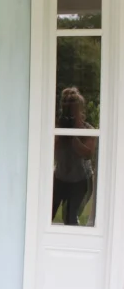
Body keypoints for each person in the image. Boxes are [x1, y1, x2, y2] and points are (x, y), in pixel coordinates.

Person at [52, 87, 96, 225]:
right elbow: (49, 150)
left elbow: (88, 154)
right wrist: (60, 130)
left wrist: (73, 134)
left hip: (80, 180)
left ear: (81, 111)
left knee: (70, 217)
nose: (70, 115)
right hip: (60, 177)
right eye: (67, 110)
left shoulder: (88, 130)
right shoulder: (56, 128)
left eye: (73, 111)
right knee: (46, 212)